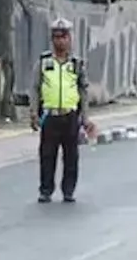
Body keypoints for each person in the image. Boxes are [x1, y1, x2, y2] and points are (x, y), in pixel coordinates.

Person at [31, 18, 95, 203]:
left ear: (70, 38)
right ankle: (46, 190)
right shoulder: (43, 62)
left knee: (71, 157)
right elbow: (35, 88)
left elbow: (83, 90)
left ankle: (68, 190)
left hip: (70, 116)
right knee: (47, 155)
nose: (60, 41)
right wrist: (34, 113)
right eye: (56, 37)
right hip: (50, 116)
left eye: (64, 36)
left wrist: (85, 117)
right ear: (52, 39)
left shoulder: (76, 64)